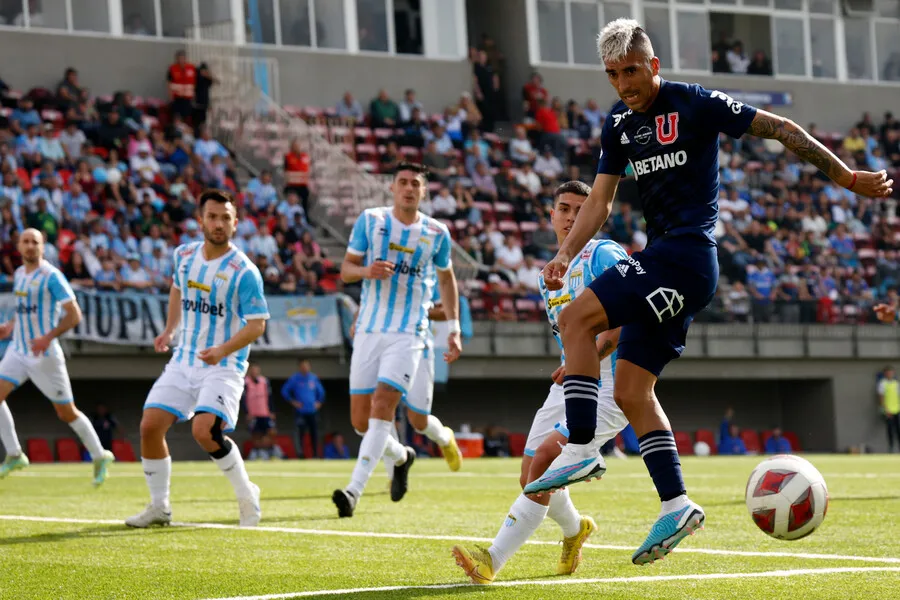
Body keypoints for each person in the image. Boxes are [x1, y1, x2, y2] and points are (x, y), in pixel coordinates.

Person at [530, 18, 893, 566]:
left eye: (632, 70)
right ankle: (676, 504)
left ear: (652, 64)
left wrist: (845, 177)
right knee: (630, 390)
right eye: (613, 75)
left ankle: (581, 445)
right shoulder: (620, 125)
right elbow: (600, 203)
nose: (624, 83)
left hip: (685, 259)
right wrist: (563, 255)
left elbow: (781, 128)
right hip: (667, 265)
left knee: (578, 318)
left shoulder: (695, 102)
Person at [452, 181, 629, 584]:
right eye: (563, 209)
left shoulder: (605, 254)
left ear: (595, 214)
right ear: (551, 215)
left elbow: (622, 324)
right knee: (531, 473)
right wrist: (571, 363)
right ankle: (575, 529)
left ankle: (492, 560)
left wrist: (588, 358)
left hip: (610, 381)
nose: (570, 217)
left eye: (580, 209)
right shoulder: (547, 274)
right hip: (571, 381)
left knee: (547, 459)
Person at [124, 189, 269, 528]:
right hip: (184, 359)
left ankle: (247, 494)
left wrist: (222, 350)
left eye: (226, 218)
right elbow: (178, 287)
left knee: (204, 431)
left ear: (236, 224)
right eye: (213, 217)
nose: (219, 224)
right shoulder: (185, 255)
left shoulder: (244, 271)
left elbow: (258, 325)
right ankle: (160, 507)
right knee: (149, 426)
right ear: (201, 219)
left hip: (223, 365)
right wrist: (169, 329)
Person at [332, 162, 462, 518]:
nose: (408, 188)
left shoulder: (436, 232)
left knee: (391, 407)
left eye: (415, 184)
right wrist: (365, 271)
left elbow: (447, 279)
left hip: (411, 332)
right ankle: (403, 456)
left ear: (423, 191)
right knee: (361, 421)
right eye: (402, 182)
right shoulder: (371, 221)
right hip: (370, 330)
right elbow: (345, 270)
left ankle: (353, 491)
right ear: (392, 188)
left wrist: (454, 327)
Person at [0, 229, 115, 482]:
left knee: (66, 413)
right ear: (18, 246)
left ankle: (99, 454)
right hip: (18, 349)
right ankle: (15, 454)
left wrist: (47, 337)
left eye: (35, 242)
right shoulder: (19, 274)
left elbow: (74, 314)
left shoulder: (51, 276)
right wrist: (10, 325)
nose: (30, 246)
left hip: (45, 355)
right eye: (26, 242)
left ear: (43, 247)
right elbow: (24, 310)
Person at [281, 359, 325, 458]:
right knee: (300, 433)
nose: (305, 368)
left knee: (314, 433)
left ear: (309, 367)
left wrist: (319, 402)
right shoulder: (295, 378)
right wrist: (293, 402)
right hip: (300, 411)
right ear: (299, 367)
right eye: (302, 366)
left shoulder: (313, 378)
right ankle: (300, 454)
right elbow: (285, 391)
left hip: (312, 411)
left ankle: (315, 454)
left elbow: (321, 392)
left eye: (306, 365)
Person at [244, 363, 281, 460]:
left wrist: (272, 411)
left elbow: (269, 397)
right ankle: (258, 453)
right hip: (253, 414)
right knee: (256, 434)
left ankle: (272, 452)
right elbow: (243, 399)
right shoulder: (245, 382)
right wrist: (247, 413)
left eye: (256, 370)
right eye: (252, 370)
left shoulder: (264, 381)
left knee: (271, 432)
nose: (254, 372)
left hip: (265, 412)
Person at [876, 366, 900, 453]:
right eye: (888, 372)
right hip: (888, 410)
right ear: (885, 374)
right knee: (890, 430)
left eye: (891, 372)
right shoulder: (882, 383)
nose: (890, 374)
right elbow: (881, 397)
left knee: (898, 430)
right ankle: (891, 448)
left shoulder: (896, 383)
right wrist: (885, 409)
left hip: (897, 409)